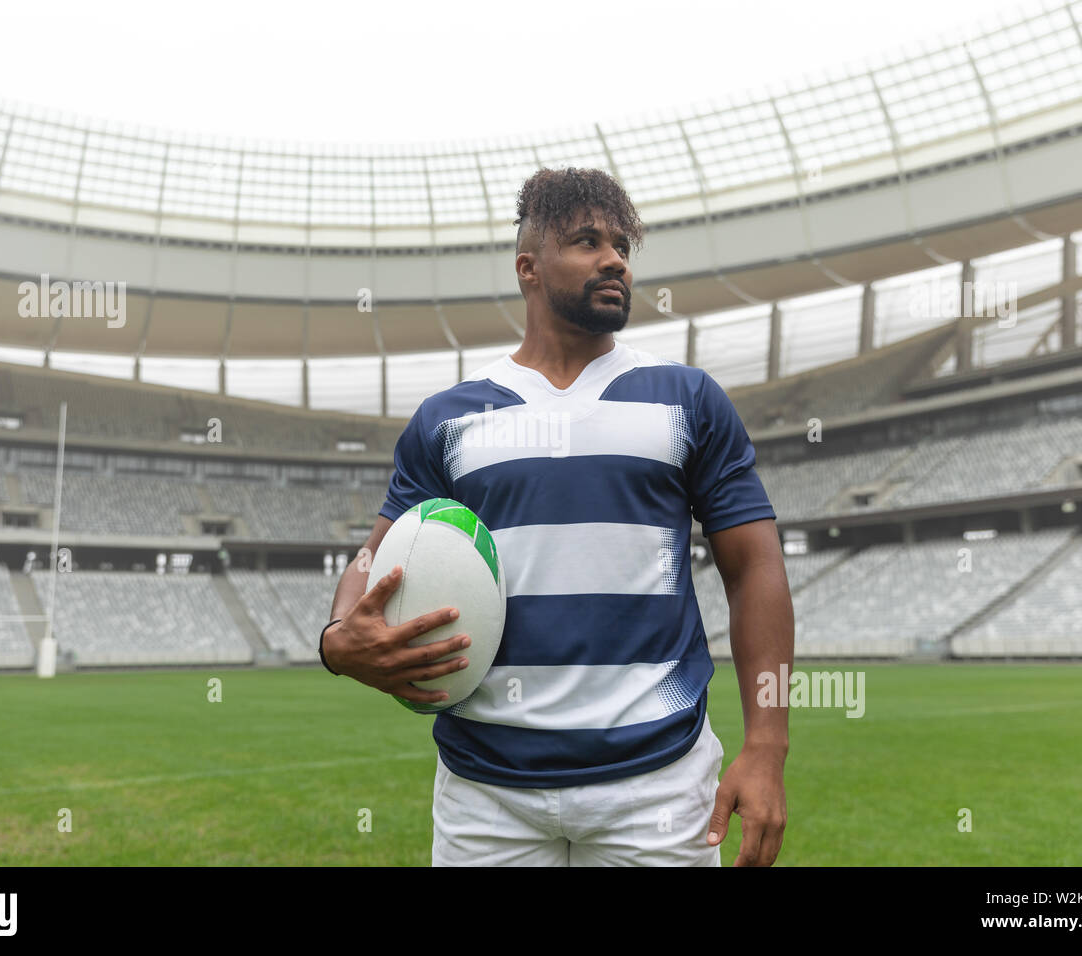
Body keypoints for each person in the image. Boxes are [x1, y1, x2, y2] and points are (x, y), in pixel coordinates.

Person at [322, 167, 794, 867]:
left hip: (658, 784)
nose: (614, 259)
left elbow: (754, 565)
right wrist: (337, 640)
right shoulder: (448, 419)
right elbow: (373, 557)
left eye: (622, 246)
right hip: (486, 792)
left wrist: (766, 745)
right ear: (529, 268)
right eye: (586, 241)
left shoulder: (687, 399)